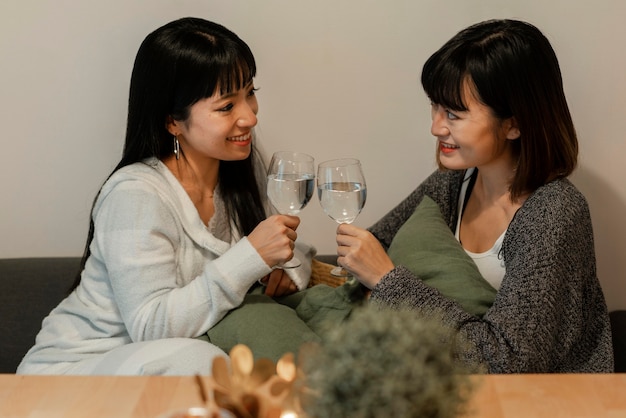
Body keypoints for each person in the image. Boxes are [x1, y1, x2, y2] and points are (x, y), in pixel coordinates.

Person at [17, 17, 317, 375]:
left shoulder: (239, 171)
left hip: (157, 368)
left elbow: (286, 248)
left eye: (250, 93)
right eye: (226, 106)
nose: (249, 117)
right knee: (201, 362)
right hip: (73, 372)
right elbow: (151, 328)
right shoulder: (136, 195)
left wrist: (288, 266)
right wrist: (250, 257)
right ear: (173, 121)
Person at [334, 19, 614, 373]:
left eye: (454, 113)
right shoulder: (455, 183)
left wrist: (388, 283)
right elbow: (373, 247)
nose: (436, 127)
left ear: (515, 123)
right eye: (435, 106)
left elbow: (506, 362)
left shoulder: (554, 213)